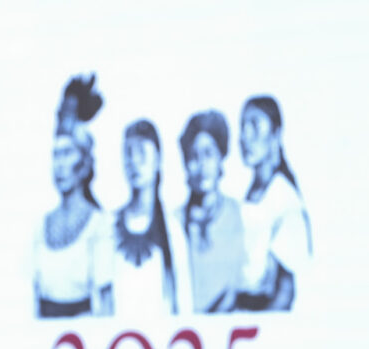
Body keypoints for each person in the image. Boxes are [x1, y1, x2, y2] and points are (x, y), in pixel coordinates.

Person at [33, 73, 113, 317]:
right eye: (56, 155)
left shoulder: (100, 225)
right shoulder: (41, 226)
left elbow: (106, 306)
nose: (60, 165)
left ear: (84, 161)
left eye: (67, 154)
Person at [104, 119, 192, 317]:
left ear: (158, 159)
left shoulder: (173, 230)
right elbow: (101, 300)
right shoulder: (107, 227)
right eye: (128, 152)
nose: (134, 161)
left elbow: (184, 304)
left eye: (142, 153)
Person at [235, 95, 311, 311]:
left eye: (255, 126)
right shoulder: (253, 194)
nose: (245, 137)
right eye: (242, 127)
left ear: (276, 133)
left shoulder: (284, 199)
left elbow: (285, 290)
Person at [177, 110, 247, 313]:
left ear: (220, 158)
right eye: (194, 156)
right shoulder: (174, 222)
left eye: (208, 154)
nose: (202, 165)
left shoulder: (240, 215)